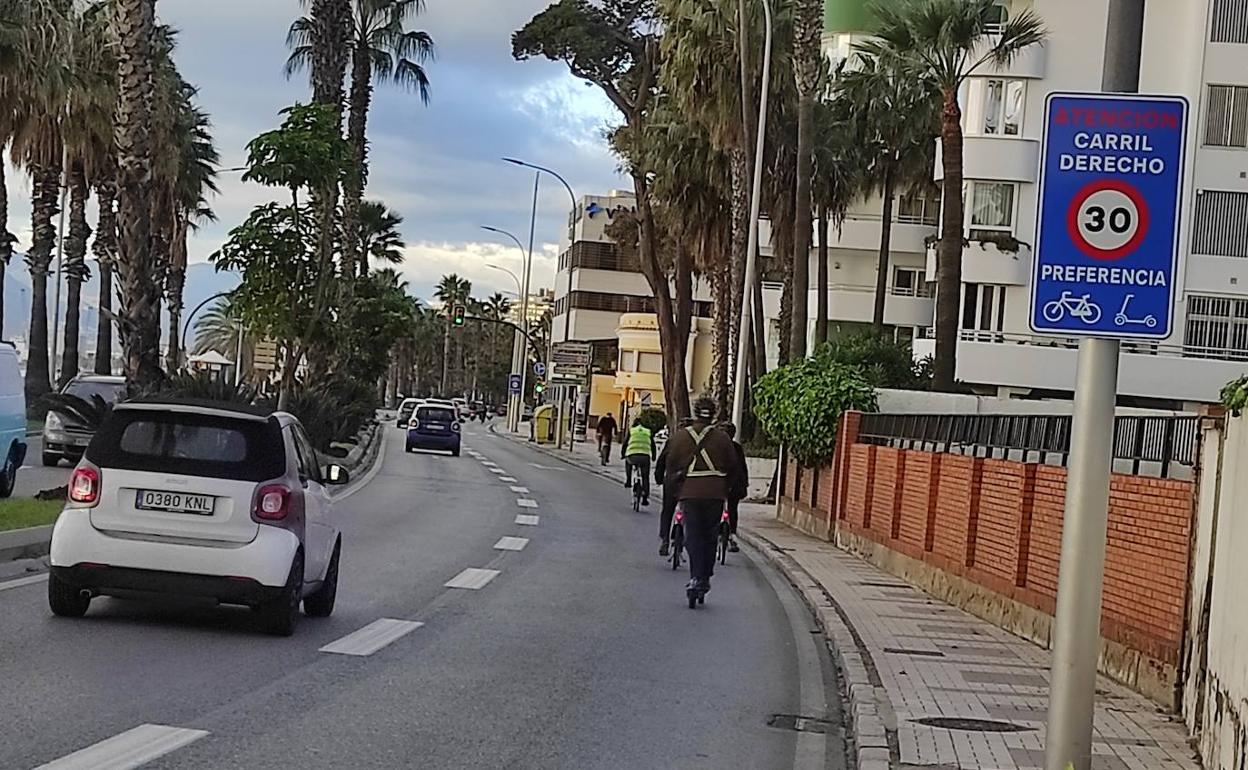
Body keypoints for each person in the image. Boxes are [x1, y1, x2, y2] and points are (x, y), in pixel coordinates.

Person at [661, 395, 742, 604]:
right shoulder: (723, 439)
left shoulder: (679, 438)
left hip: (690, 494)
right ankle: (706, 574)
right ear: (714, 414)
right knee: (710, 536)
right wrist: (725, 488)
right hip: (715, 494)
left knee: (693, 537)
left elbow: (670, 467)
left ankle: (696, 577)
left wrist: (675, 491)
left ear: (695, 412)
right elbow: (734, 468)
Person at [655, 417, 695, 556]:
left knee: (667, 510)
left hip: (671, 482)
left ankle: (665, 540)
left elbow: (661, 461)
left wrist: (659, 478)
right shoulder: (698, 444)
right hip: (690, 483)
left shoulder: (672, 442)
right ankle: (684, 539)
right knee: (690, 512)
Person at [721, 422, 749, 553]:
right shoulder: (737, 448)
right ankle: (732, 535)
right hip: (735, 485)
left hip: (722, 485)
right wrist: (745, 484)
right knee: (732, 510)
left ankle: (723, 534)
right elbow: (743, 468)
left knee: (716, 508)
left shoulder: (718, 448)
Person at [622, 418, 656, 505]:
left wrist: (623, 454)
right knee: (645, 477)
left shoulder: (632, 431)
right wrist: (654, 457)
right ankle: (645, 497)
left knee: (628, 462)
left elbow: (625, 443)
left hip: (632, 455)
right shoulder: (647, 431)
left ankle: (628, 481)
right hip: (645, 456)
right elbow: (653, 445)